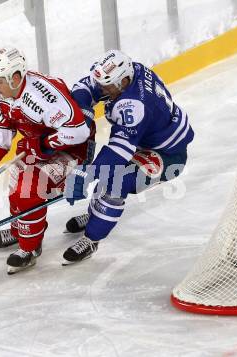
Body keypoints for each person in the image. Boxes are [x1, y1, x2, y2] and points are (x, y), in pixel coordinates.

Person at [0, 46, 95, 274]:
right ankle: (20, 228)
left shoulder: (43, 95)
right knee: (16, 185)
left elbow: (79, 131)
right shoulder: (0, 97)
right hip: (35, 147)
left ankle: (30, 249)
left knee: (28, 189)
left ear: (15, 78)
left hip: (72, 150)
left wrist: (44, 144)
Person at [62, 49, 194, 264]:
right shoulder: (130, 71)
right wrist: (84, 109)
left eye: (107, 86)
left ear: (123, 81)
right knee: (108, 176)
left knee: (116, 181)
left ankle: (92, 239)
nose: (102, 89)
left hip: (168, 154)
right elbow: (85, 86)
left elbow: (118, 151)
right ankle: (95, 215)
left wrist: (86, 173)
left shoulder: (134, 105)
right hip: (146, 140)